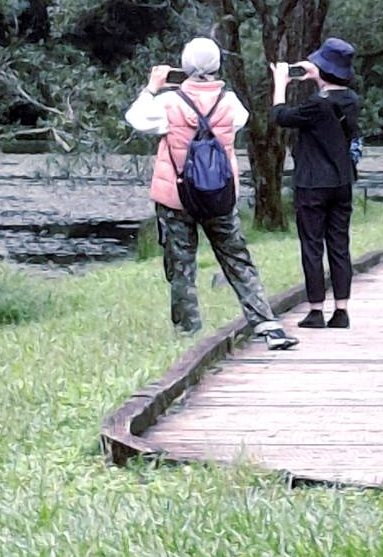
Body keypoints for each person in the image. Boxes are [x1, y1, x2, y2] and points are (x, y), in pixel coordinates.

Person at [125, 36, 297, 350]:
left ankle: (188, 333)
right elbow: (239, 123)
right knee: (237, 259)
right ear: (218, 66)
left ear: (184, 66)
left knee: (181, 266)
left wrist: (152, 87)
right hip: (219, 196)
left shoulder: (168, 103)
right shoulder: (231, 104)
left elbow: (135, 118)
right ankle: (266, 323)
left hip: (176, 197)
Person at [270, 37, 360, 329]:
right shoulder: (352, 100)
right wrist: (317, 77)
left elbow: (280, 116)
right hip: (342, 181)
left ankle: (316, 310)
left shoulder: (317, 105)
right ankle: (342, 310)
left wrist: (281, 83)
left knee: (312, 245)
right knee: (339, 244)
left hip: (312, 183)